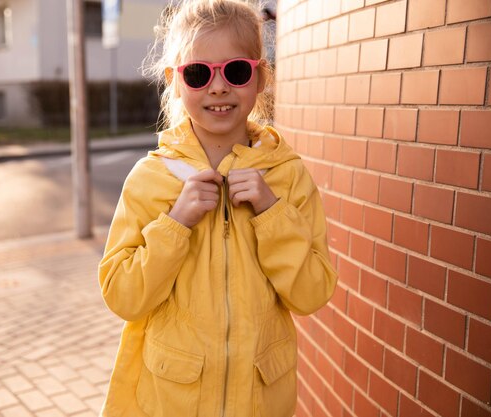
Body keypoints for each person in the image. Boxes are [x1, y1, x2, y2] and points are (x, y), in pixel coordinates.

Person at [98, 1, 337, 416]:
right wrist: (175, 224)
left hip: (259, 402)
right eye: (198, 73)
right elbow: (122, 296)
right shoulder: (151, 178)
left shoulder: (287, 176)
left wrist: (271, 212)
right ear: (175, 81)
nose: (219, 87)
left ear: (260, 76)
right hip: (173, 400)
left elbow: (312, 293)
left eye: (236, 71)